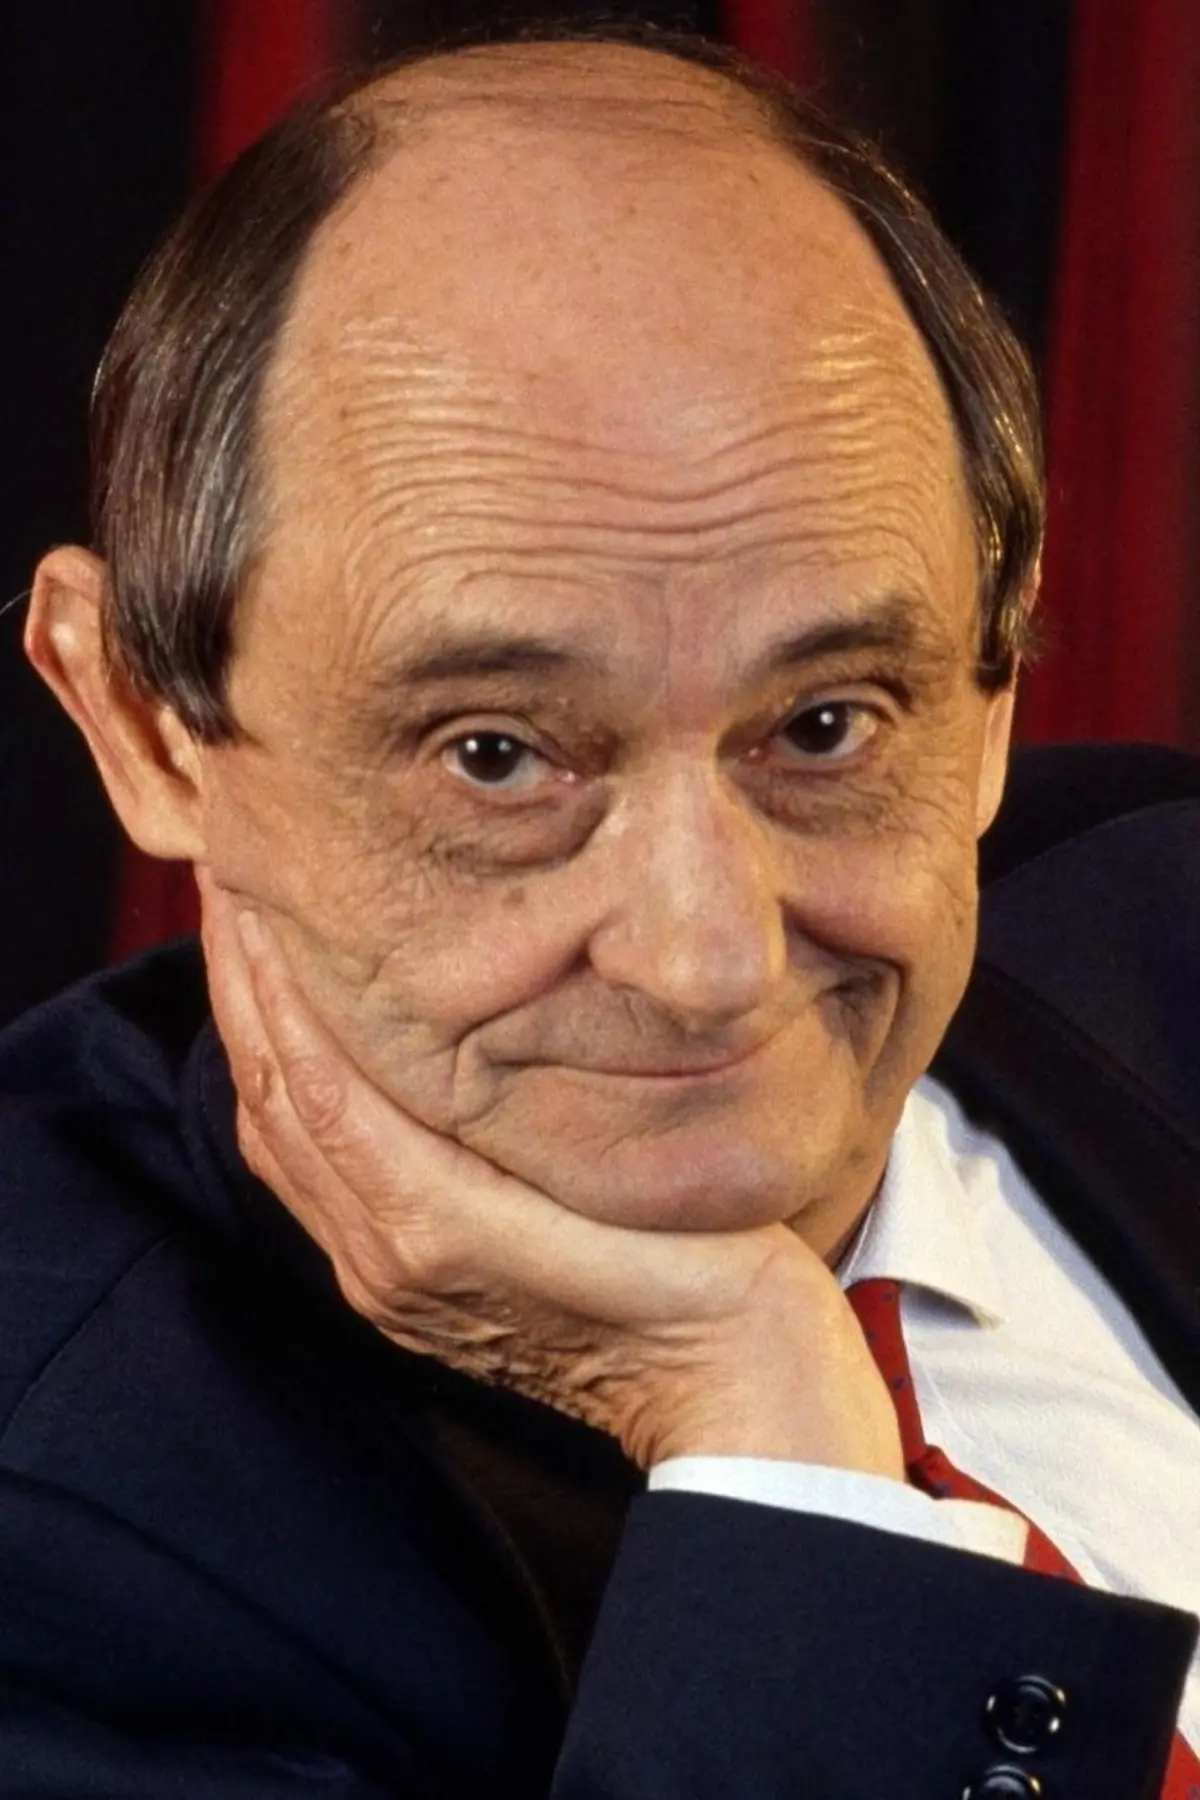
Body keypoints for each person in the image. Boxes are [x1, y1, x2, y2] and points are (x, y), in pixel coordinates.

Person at [4, 19, 1198, 1797]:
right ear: (144, 724)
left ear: (997, 693)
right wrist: (775, 1449)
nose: (705, 959)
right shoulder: (52, 1559)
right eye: (497, 757)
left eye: (824, 726)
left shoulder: (1164, 913)